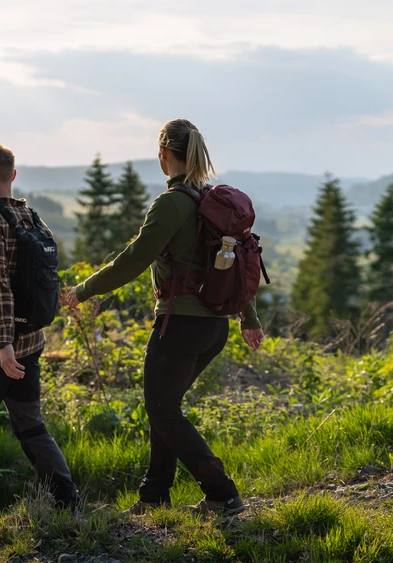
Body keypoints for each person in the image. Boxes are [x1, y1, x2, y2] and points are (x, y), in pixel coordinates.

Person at [65, 119, 264, 516]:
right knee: (164, 406)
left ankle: (221, 493)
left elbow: (133, 260)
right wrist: (249, 317)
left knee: (162, 409)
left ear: (163, 154)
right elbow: (238, 263)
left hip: (180, 327)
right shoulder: (210, 200)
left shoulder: (172, 203)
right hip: (213, 328)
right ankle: (154, 497)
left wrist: (81, 291)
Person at [0, 144, 79, 516]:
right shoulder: (32, 217)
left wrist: (4, 343)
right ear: (14, 175)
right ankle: (67, 504)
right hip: (32, 341)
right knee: (30, 425)